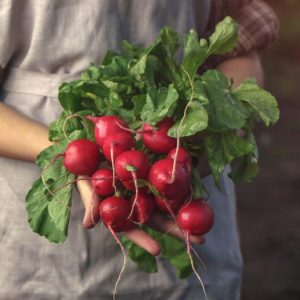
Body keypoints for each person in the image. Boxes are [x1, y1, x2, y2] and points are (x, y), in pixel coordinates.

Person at [0, 1, 278, 299]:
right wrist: (66, 150)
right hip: (39, 243)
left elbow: (241, 45)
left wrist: (208, 142)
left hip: (183, 174)